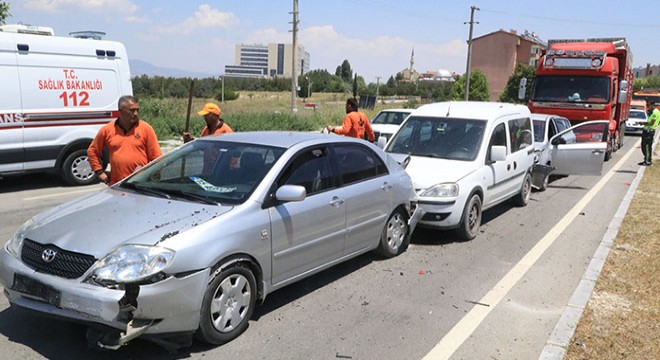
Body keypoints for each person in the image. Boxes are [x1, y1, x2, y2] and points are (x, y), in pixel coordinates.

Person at [87, 95, 162, 185]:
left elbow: (156, 157)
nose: (135, 114)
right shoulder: (108, 129)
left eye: (137, 110)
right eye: (131, 110)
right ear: (121, 111)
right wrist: (99, 172)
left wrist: (156, 177)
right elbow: (92, 151)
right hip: (118, 184)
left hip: (140, 183)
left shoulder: (146, 128)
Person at [639, 100, 660, 166]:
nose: (648, 107)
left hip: (649, 131)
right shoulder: (652, 112)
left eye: (648, 105)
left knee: (647, 146)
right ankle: (646, 159)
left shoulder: (655, 113)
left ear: (652, 105)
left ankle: (648, 161)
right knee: (643, 146)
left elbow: (652, 123)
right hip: (646, 131)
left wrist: (643, 123)